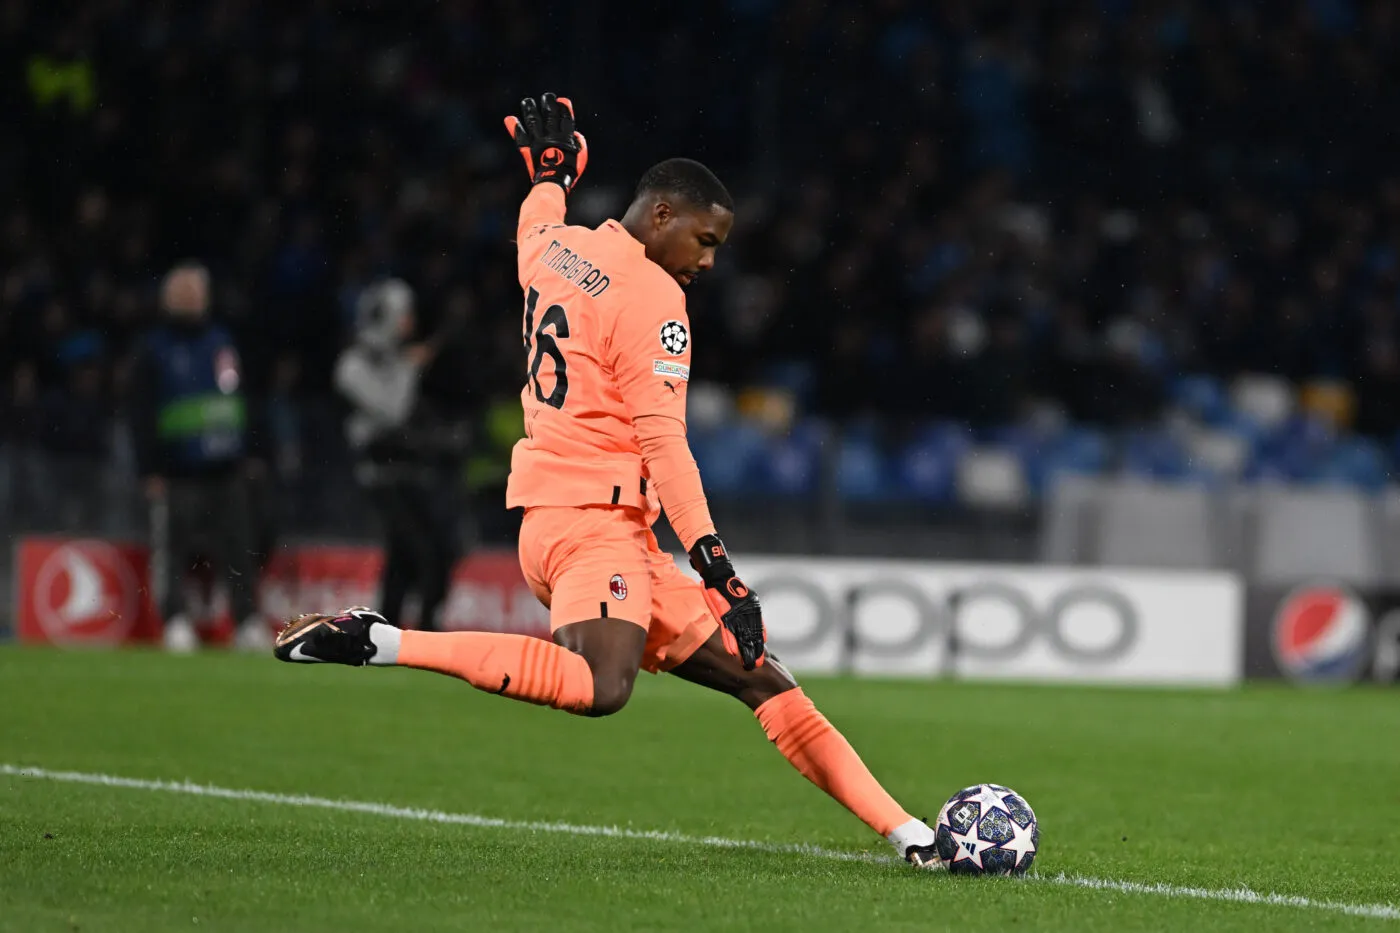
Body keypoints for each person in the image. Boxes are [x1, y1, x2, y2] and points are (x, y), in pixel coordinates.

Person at [274, 94, 942, 869]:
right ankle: (380, 639)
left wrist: (549, 173)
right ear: (660, 214)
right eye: (704, 238)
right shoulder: (655, 298)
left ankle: (913, 836)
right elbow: (665, 443)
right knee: (601, 685)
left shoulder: (552, 250)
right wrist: (718, 568)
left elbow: (536, 217)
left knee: (763, 678)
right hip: (592, 522)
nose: (709, 260)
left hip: (574, 520)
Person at [130, 261, 269, 652]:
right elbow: (139, 411)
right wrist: (149, 468)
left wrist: (251, 450)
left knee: (240, 546)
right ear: (168, 298)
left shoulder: (222, 341)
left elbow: (243, 400)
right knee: (172, 549)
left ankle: (246, 621)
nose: (192, 298)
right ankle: (174, 620)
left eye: (197, 291)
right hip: (177, 470)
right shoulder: (153, 349)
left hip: (226, 467)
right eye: (184, 292)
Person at [333, 279, 463, 631]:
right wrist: (410, 367)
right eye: (403, 314)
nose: (410, 322)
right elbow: (392, 411)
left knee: (419, 551)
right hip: (372, 477)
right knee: (417, 550)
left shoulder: (395, 360)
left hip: (408, 474)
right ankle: (419, 625)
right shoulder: (353, 366)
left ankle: (392, 625)